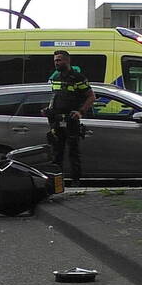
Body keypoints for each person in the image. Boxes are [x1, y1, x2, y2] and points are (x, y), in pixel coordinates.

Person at [43, 50, 95, 184]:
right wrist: (48, 110)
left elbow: (91, 96)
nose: (56, 63)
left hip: (71, 120)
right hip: (57, 120)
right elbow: (55, 96)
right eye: (55, 60)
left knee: (73, 153)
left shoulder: (77, 78)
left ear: (67, 61)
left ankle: (76, 181)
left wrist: (80, 112)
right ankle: (57, 183)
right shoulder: (56, 77)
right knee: (57, 153)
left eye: (59, 60)